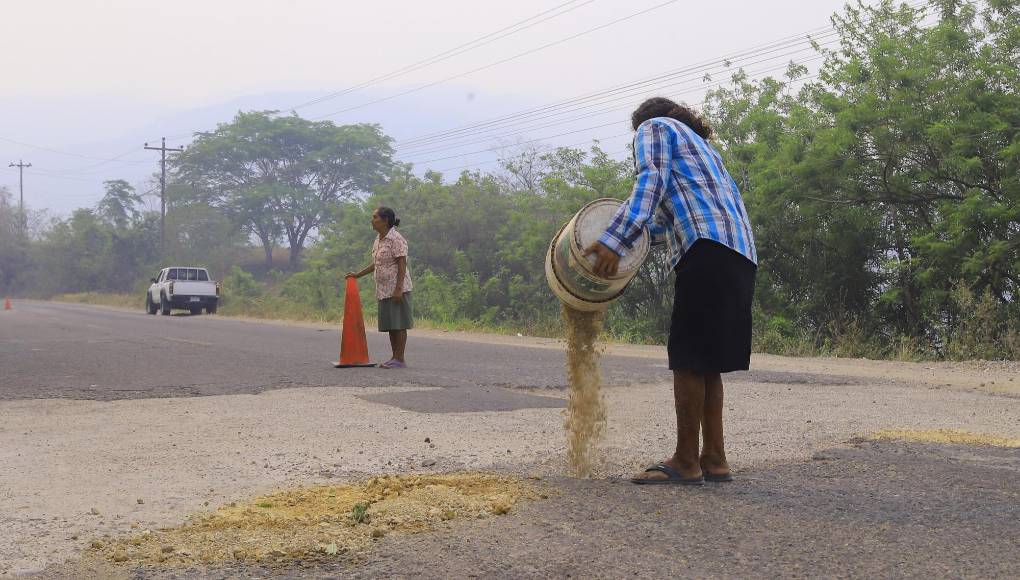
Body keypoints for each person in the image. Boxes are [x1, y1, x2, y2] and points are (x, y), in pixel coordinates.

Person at [585, 97, 757, 485]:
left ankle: (684, 460)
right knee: (708, 362)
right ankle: (714, 458)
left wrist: (612, 241)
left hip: (706, 249)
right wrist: (627, 240)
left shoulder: (655, 128)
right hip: (739, 254)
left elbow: (650, 182)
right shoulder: (703, 152)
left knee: (688, 357)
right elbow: (658, 228)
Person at [346, 207, 414, 369]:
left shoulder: (396, 239)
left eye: (375, 217)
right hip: (383, 289)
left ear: (385, 220)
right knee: (391, 324)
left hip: (398, 288)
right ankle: (394, 357)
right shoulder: (378, 239)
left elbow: (402, 265)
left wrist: (398, 289)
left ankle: (400, 359)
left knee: (399, 323)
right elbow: (376, 264)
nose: (372, 220)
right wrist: (357, 275)